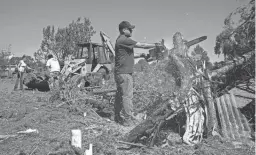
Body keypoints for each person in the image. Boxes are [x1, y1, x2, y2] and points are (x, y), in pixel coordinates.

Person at [114, 21, 163, 125]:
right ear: (124, 30)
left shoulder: (120, 41)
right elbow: (142, 45)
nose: (131, 31)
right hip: (125, 73)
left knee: (120, 95)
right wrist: (156, 45)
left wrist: (141, 55)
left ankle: (117, 116)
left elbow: (128, 55)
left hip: (120, 72)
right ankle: (128, 119)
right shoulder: (124, 39)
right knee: (127, 96)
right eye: (129, 29)